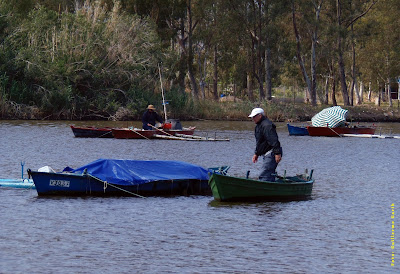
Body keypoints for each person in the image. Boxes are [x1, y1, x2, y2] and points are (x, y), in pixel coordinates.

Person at [248, 107, 282, 181]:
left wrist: (277, 153)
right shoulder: (258, 126)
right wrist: (256, 153)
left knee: (265, 174)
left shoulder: (267, 125)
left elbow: (273, 140)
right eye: (252, 117)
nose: (253, 119)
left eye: (254, 117)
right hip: (267, 153)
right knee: (267, 173)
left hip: (272, 152)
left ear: (260, 116)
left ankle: (266, 189)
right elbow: (260, 142)